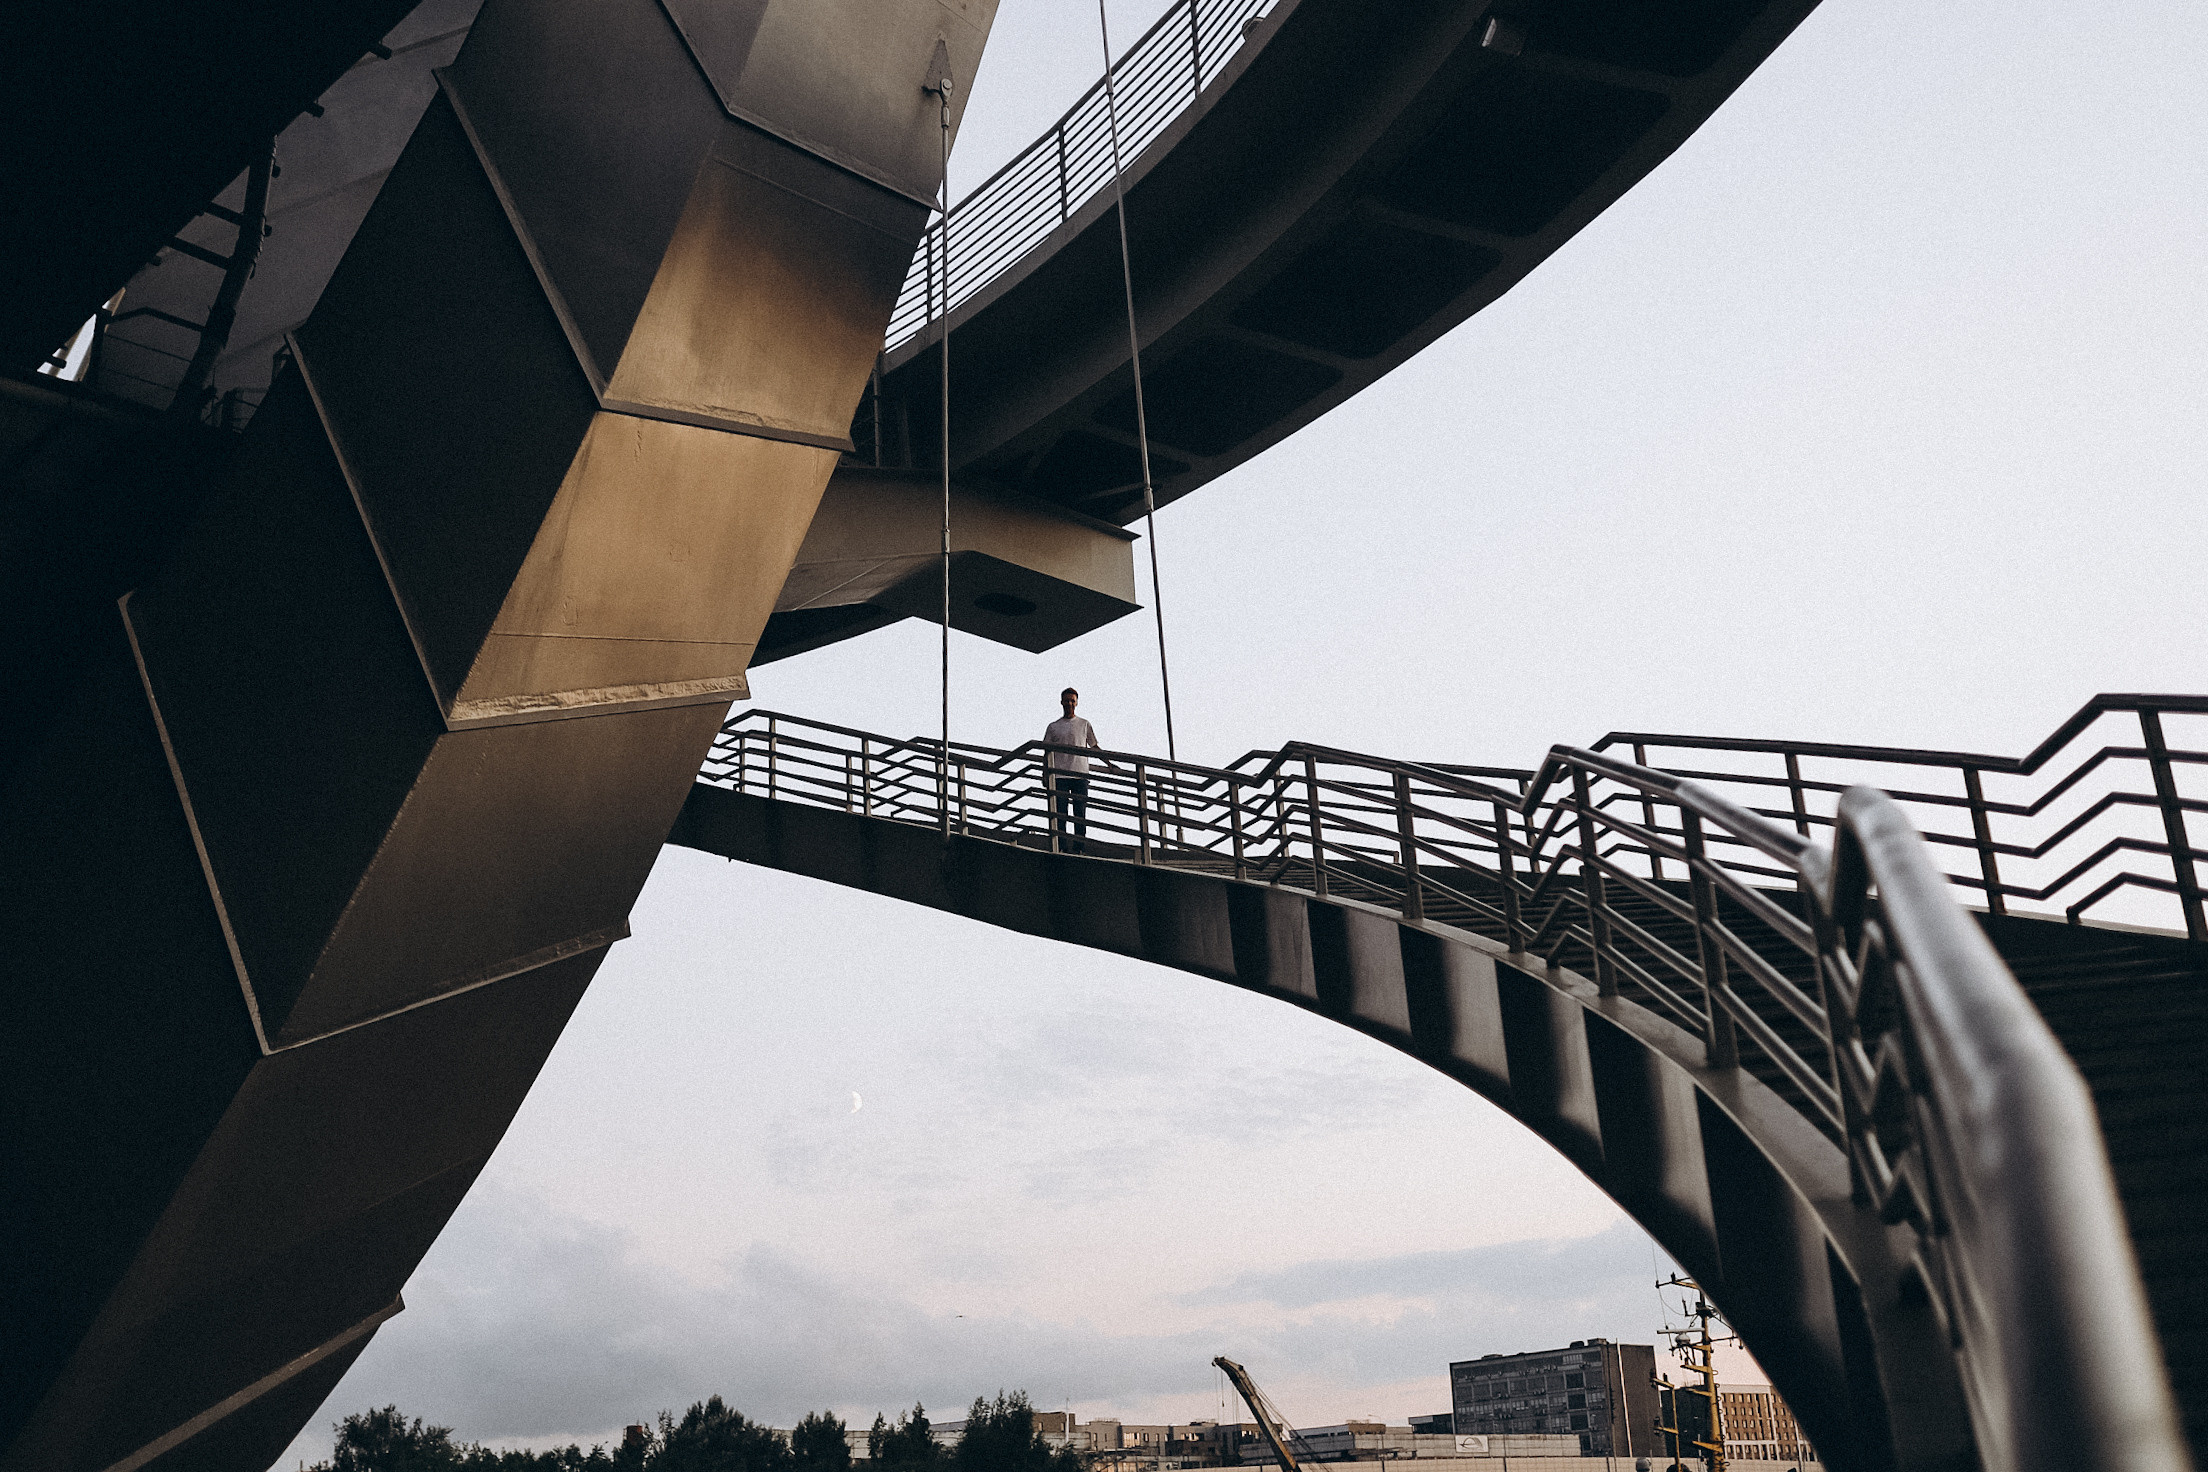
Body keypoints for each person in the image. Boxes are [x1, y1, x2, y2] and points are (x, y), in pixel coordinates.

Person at [1043, 686, 1100, 850]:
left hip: (1080, 775)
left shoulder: (1084, 724)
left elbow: (1094, 746)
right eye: (1067, 700)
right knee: (1060, 814)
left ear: (1077, 703)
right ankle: (1061, 847)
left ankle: (1079, 848)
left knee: (1079, 813)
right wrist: (1045, 773)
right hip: (1059, 776)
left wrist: (1109, 763)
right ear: (1061, 702)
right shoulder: (1053, 727)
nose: (1069, 703)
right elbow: (1046, 752)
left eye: (1072, 701)